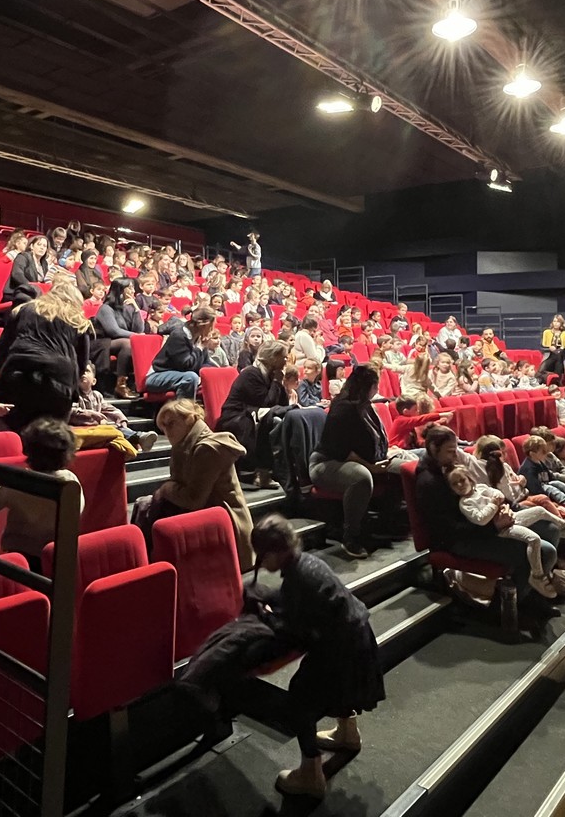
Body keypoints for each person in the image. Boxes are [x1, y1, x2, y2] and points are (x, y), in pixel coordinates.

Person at [249, 515, 384, 799]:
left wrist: (265, 617)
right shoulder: (307, 563)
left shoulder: (297, 579)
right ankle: (347, 734)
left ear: (275, 552)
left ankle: (310, 774)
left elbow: (292, 631)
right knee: (339, 689)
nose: (260, 562)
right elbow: (294, 599)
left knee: (300, 699)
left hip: (341, 649)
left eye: (261, 555)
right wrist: (267, 597)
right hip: (358, 637)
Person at [413, 426, 562, 616]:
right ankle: (506, 605)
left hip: (483, 521)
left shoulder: (448, 465)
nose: (455, 455)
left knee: (550, 528)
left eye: (456, 449)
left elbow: (478, 492)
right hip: (463, 539)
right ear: (434, 448)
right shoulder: (428, 482)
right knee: (545, 551)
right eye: (450, 451)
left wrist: (503, 507)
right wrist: (494, 526)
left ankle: (530, 590)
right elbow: (447, 530)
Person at [132, 398, 253, 567]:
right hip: (205, 514)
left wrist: (166, 489)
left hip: (225, 523)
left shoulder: (207, 448)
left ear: (190, 419)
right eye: (163, 426)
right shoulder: (183, 445)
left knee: (149, 511)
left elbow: (194, 499)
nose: (166, 431)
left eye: (171, 423)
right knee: (144, 506)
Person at [446, 465, 565, 598]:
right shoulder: (465, 503)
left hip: (510, 516)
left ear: (469, 478)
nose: (460, 485)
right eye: (455, 484)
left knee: (542, 514)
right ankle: (537, 578)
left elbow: (499, 494)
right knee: (536, 541)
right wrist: (494, 504)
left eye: (462, 480)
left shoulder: (481, 488)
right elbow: (481, 519)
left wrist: (502, 505)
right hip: (499, 530)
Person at [308, 365, 390, 559]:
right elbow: (343, 451)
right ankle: (351, 536)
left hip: (361, 459)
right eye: (375, 386)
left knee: (404, 464)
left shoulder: (364, 405)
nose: (377, 390)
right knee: (361, 477)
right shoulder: (343, 408)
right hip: (326, 463)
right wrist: (371, 467)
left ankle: (388, 525)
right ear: (365, 387)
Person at [0, 418, 81, 564]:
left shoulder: (19, 481)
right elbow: (78, 510)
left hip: (20, 553)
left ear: (29, 450)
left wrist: (2, 485)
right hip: (55, 554)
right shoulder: (70, 480)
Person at [217, 339, 291, 489]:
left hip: (254, 413)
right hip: (236, 416)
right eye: (283, 357)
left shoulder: (271, 375)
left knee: (284, 419)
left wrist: (281, 383)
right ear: (273, 357)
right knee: (272, 422)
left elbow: (283, 404)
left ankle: (279, 471)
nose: (286, 360)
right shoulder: (251, 374)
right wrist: (277, 382)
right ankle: (259, 473)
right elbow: (266, 402)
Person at [70, 365, 158, 451]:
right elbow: (71, 411)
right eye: (80, 371)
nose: (83, 374)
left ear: (94, 381)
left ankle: (139, 439)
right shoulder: (74, 395)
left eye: (87, 371)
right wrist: (91, 414)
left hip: (96, 429)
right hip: (82, 431)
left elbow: (110, 409)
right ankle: (137, 437)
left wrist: (121, 419)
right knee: (110, 431)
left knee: (118, 430)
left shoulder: (97, 395)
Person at [142, 307, 215, 401]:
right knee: (191, 377)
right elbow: (185, 366)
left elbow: (206, 362)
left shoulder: (199, 337)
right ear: (204, 325)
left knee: (215, 373)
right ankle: (184, 409)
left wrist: (210, 373)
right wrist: (200, 348)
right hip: (157, 375)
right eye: (211, 326)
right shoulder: (179, 336)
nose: (212, 330)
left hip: (181, 374)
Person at [91, 277, 144, 399]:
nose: (133, 291)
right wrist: (136, 336)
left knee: (133, 342)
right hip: (101, 343)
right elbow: (113, 331)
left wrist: (136, 309)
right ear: (120, 290)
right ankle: (121, 385)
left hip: (118, 341)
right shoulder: (106, 308)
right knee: (128, 343)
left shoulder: (127, 308)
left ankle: (139, 383)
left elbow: (139, 330)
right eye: (129, 288)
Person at [5, 234, 53, 306]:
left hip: (35, 294)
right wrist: (32, 287)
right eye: (39, 244)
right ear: (32, 246)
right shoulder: (22, 256)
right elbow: (17, 275)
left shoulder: (44, 263)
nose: (42, 248)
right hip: (17, 292)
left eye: (44, 246)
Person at [539, 314, 565, 380]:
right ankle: (557, 379)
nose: (556, 323)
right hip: (549, 355)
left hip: (560, 355)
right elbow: (542, 346)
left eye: (558, 322)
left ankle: (557, 379)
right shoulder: (546, 332)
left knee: (559, 356)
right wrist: (550, 348)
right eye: (554, 321)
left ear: (561, 324)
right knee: (557, 357)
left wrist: (561, 348)